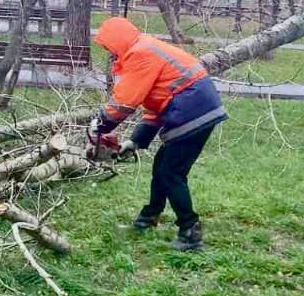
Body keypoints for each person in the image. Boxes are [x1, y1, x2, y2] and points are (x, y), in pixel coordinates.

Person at [87, 16, 226, 251]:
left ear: (117, 40)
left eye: (109, 47)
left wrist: (99, 126)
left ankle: (190, 232)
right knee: (162, 167)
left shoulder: (139, 54)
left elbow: (123, 103)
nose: (110, 53)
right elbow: (156, 106)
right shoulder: (145, 47)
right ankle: (149, 217)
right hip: (194, 106)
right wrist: (135, 141)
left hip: (192, 109)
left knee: (171, 172)